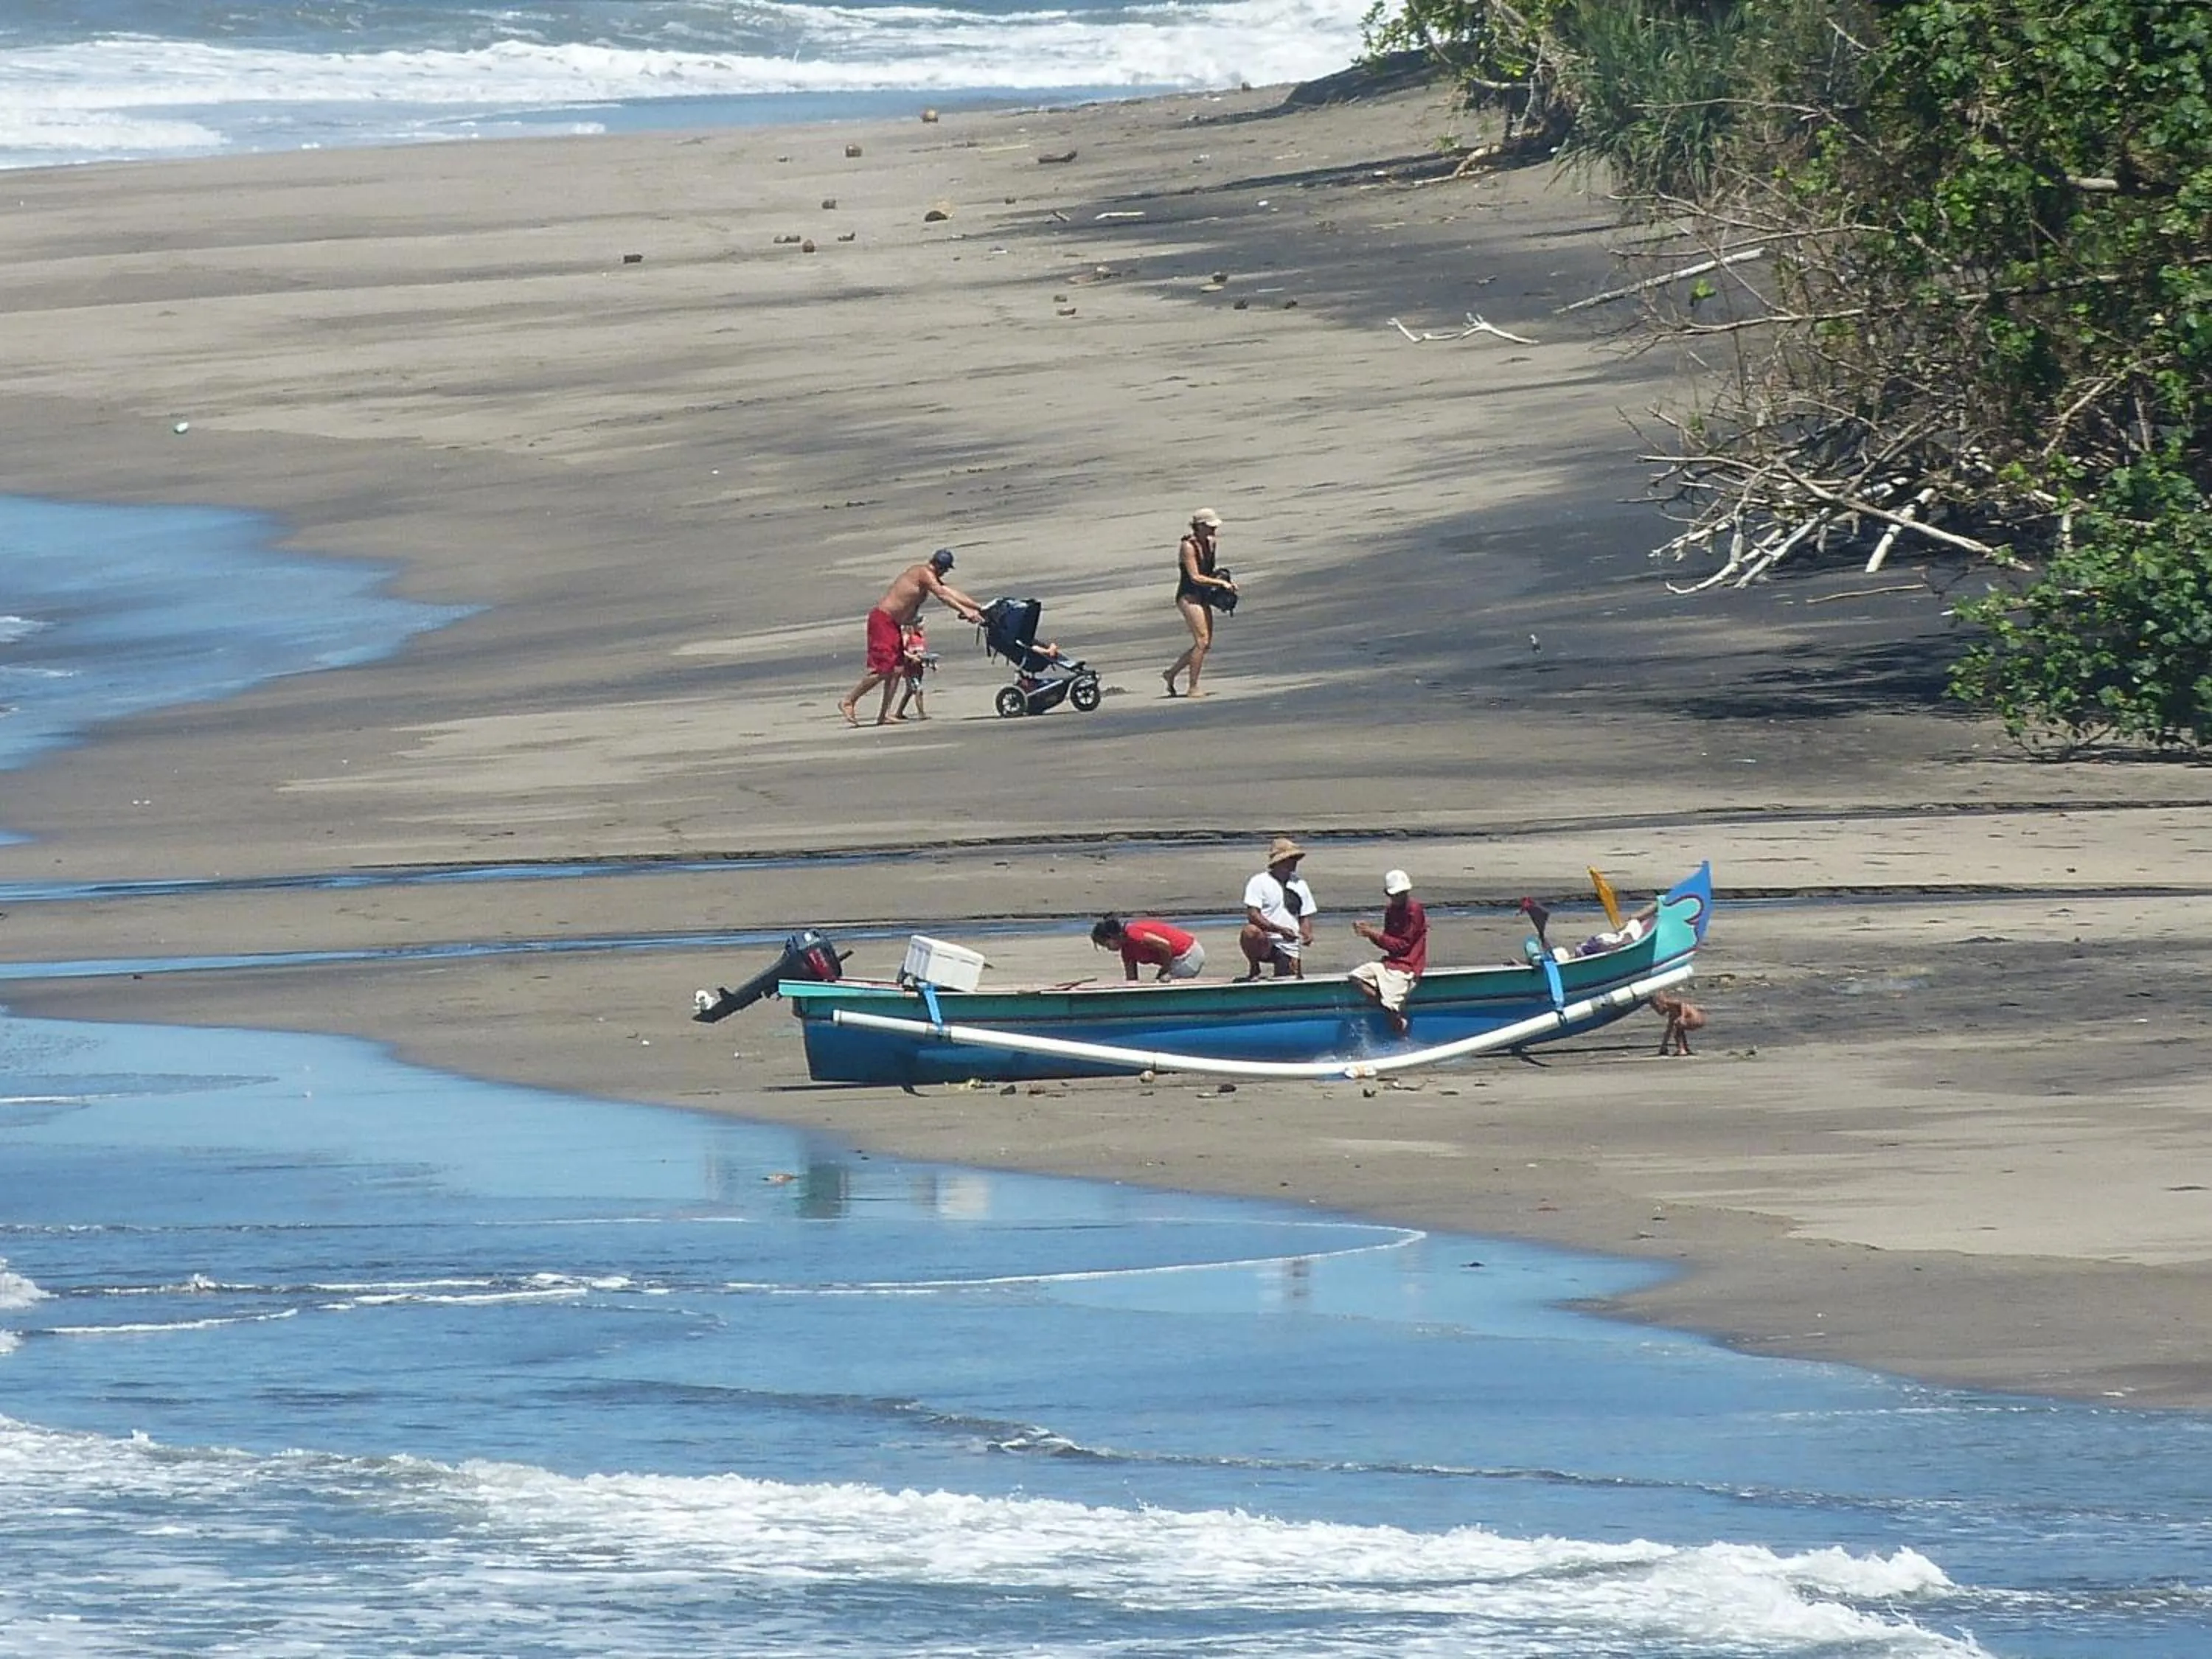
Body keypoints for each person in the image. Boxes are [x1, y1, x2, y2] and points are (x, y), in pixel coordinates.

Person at [840, 549, 982, 726]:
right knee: (884, 670)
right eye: (944, 569)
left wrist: (978, 607)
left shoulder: (932, 579)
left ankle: (884, 714)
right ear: (937, 565)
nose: (945, 572)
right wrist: (964, 611)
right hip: (883, 620)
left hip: (894, 625)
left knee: (898, 670)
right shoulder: (922, 573)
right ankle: (849, 701)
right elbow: (942, 595)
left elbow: (950, 591)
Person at [1162, 508, 1237, 698]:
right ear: (1199, 526)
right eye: (1210, 527)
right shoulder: (1187, 546)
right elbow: (1195, 577)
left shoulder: (1212, 543)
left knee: (1206, 643)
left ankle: (1171, 674)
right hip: (1188, 596)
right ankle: (1193, 687)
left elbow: (1208, 571)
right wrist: (1220, 583)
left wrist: (1225, 583)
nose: (1213, 531)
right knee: (1201, 641)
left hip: (1203, 595)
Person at [1350, 869, 1428, 1037]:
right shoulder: (1391, 910)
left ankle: (1396, 1021)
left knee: (1390, 1004)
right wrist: (1369, 933)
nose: (1398, 897)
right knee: (1356, 977)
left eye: (1402, 894)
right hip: (1390, 963)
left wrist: (1371, 932)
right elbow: (1388, 942)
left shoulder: (1414, 910)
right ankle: (1394, 1016)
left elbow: (1402, 945)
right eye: (1395, 895)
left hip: (1407, 966)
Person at [1238, 836, 1317, 980]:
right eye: (1291, 859)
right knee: (1250, 931)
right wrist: (1279, 930)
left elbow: (1304, 915)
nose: (1294, 863)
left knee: (1289, 978)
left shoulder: (1300, 884)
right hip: (1267, 940)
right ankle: (1254, 968)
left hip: (1290, 944)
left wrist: (1307, 934)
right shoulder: (1259, 881)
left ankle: (1289, 962)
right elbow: (1253, 915)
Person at [1091, 914, 1206, 981]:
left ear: (1113, 936)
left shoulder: (1134, 934)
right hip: (1176, 961)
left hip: (1188, 955)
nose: (1108, 948)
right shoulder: (1126, 951)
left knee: (1163, 985)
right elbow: (1132, 980)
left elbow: (1165, 946)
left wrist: (1165, 971)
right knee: (1160, 982)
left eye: (1106, 944)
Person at [891, 620, 933, 721]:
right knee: (918, 689)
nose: (922, 626)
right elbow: (900, 651)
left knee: (909, 691)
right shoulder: (907, 638)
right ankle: (921, 713)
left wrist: (931, 662)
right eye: (919, 624)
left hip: (918, 669)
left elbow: (922, 653)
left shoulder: (920, 638)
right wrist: (911, 657)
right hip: (909, 669)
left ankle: (899, 712)